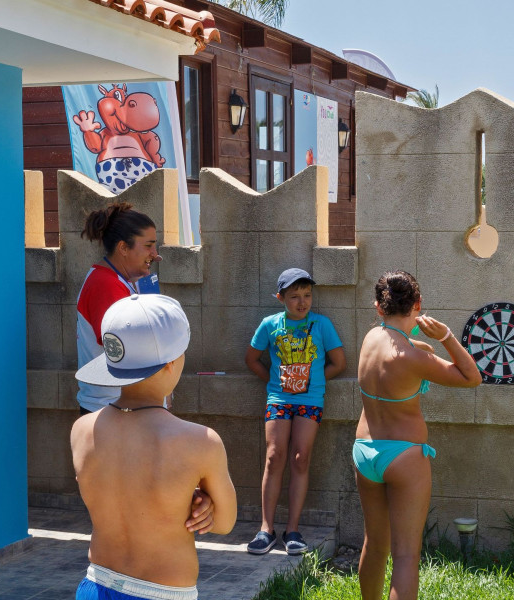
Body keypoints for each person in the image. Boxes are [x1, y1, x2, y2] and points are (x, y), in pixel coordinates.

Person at [72, 294, 237, 600]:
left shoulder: (82, 430)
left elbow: (127, 490)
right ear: (172, 363)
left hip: (95, 584)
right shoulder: (201, 442)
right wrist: (202, 504)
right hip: (161, 593)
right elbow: (225, 523)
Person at [354, 271, 482, 600]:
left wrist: (421, 342)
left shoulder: (371, 339)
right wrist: (447, 336)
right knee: (406, 556)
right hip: (404, 455)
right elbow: (472, 377)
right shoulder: (414, 359)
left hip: (364, 451)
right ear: (418, 304)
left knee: (374, 543)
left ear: (378, 307)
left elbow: (408, 346)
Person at [245, 268, 346, 555]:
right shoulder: (269, 324)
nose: (302, 302)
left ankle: (293, 530)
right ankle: (266, 529)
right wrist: (273, 381)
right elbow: (251, 359)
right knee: (274, 457)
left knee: (301, 458)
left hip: (310, 401)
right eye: (294, 296)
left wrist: (313, 382)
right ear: (280, 298)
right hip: (278, 399)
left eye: (307, 295)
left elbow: (339, 363)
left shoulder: (322, 324)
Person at [77, 202, 161, 415]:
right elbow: (123, 350)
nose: (155, 254)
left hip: (119, 408)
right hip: (113, 410)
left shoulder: (118, 280)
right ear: (123, 248)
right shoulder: (105, 285)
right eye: (148, 246)